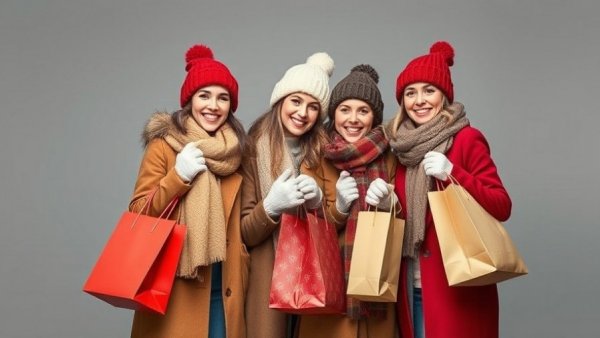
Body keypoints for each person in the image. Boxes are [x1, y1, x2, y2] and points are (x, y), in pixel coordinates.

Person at [384, 41, 512, 338]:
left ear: (444, 95)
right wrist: (385, 201)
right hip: (410, 286)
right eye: (410, 93)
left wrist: (454, 174)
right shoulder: (400, 151)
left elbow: (501, 205)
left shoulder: (467, 139)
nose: (419, 100)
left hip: (457, 287)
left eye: (429, 90)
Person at [129, 44, 249, 338]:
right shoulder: (165, 146)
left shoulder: (237, 154)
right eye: (204, 95)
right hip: (176, 290)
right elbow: (138, 214)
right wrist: (178, 176)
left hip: (225, 290)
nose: (213, 106)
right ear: (190, 101)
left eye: (223, 98)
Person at [297, 64, 399, 338]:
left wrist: (391, 206)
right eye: (345, 109)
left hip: (377, 287)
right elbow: (305, 233)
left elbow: (407, 229)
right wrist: (339, 209)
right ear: (334, 113)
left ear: (374, 117)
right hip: (330, 290)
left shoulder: (391, 157)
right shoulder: (315, 157)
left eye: (363, 111)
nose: (353, 119)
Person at [240, 52, 334, 338]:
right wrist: (271, 206)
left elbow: (336, 227)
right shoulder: (252, 148)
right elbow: (245, 233)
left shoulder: (325, 152)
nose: (302, 113)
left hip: (313, 275)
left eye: (313, 106)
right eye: (296, 101)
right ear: (280, 100)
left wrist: (320, 205)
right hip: (267, 282)